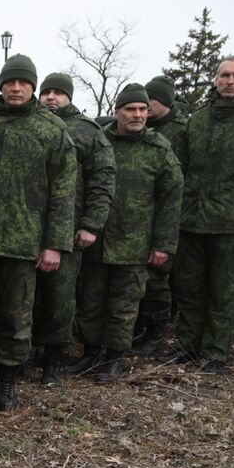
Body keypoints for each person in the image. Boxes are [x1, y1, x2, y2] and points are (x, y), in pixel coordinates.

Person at [0, 55, 76, 411]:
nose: (16, 87)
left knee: (17, 316)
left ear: (33, 86)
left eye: (23, 82)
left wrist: (54, 244)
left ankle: (7, 382)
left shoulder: (52, 131)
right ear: (1, 84)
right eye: (10, 81)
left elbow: (64, 192)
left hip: (26, 243)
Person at [74, 84, 183, 381]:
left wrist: (162, 244)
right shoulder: (99, 141)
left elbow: (171, 200)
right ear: (117, 111)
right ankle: (90, 352)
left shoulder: (159, 150)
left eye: (142, 109)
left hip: (135, 242)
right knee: (91, 299)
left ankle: (114, 358)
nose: (137, 115)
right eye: (130, 109)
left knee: (124, 305)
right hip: (97, 238)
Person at [169, 56, 234, 372]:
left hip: (231, 224)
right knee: (189, 289)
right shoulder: (198, 118)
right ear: (216, 78)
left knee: (223, 293)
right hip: (191, 221)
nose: (230, 81)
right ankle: (189, 347)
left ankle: (215, 353)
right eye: (224, 75)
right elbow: (178, 168)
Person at [37, 73, 115, 384]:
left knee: (60, 298)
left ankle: (52, 361)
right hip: (29, 228)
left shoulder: (87, 131)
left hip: (67, 231)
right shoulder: (36, 124)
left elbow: (102, 180)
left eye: (58, 93)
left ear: (69, 96)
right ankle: (25, 352)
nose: (51, 98)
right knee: (28, 298)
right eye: (47, 92)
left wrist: (90, 225)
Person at [133, 75, 188, 353]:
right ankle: (141, 326)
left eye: (149, 101)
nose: (143, 107)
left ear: (163, 102)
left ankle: (157, 330)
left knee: (157, 278)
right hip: (137, 216)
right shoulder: (141, 130)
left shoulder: (180, 131)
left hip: (167, 214)